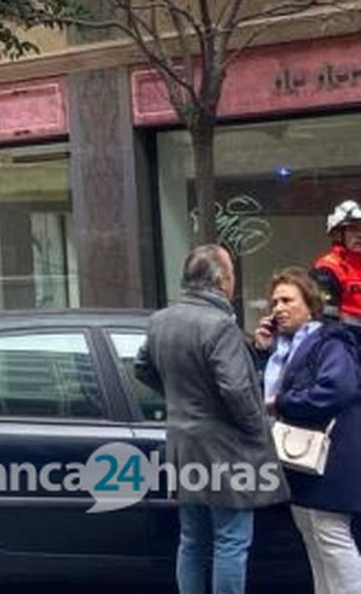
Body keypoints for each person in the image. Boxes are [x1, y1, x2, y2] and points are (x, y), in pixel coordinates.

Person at [136, 244, 287, 594]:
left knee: (191, 540)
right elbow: (236, 390)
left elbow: (142, 368)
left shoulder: (161, 320)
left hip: (182, 444)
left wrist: (179, 397)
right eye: (232, 274)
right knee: (231, 541)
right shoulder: (219, 325)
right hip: (225, 449)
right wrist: (256, 431)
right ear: (221, 281)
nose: (233, 281)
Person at [253, 268, 361, 594]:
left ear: (310, 304)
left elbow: (336, 389)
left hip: (331, 463)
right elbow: (266, 392)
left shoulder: (330, 341)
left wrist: (283, 402)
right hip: (304, 463)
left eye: (287, 300)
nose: (278, 308)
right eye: (274, 302)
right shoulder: (285, 349)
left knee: (331, 541)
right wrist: (262, 352)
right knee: (315, 541)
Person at [313, 200, 361, 325]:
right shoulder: (327, 268)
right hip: (344, 340)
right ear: (338, 234)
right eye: (353, 229)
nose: (360, 234)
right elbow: (326, 320)